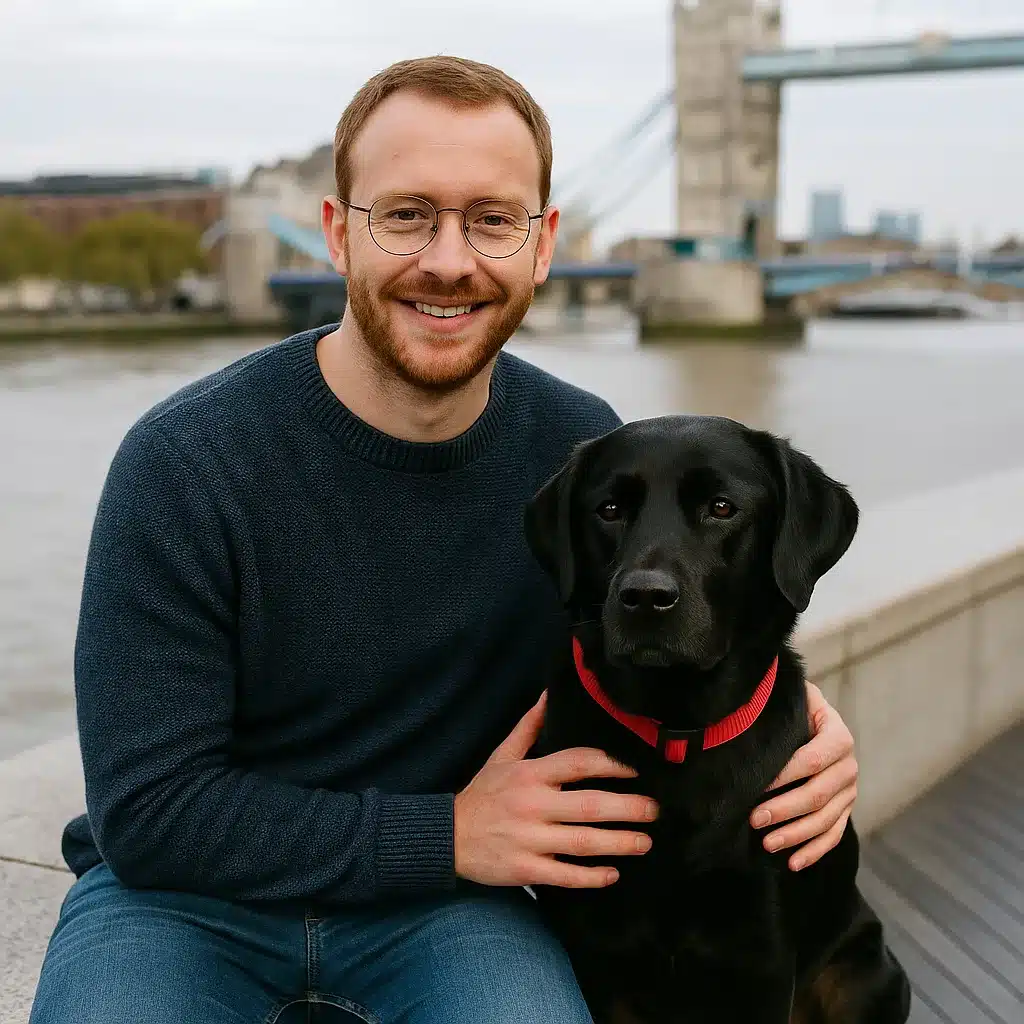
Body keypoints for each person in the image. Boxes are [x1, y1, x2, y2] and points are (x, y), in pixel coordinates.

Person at [30, 56, 859, 1024]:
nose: (450, 259)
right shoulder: (184, 461)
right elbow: (149, 813)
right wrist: (446, 833)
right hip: (175, 905)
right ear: (338, 233)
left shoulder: (581, 454)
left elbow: (662, 620)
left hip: (448, 911)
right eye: (408, 214)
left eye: (491, 219)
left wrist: (794, 721)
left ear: (544, 244)